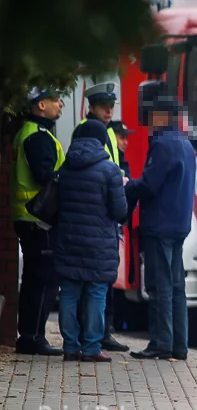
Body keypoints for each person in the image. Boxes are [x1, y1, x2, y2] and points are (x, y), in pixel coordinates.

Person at [126, 100, 196, 360]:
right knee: (177, 286)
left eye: (151, 117)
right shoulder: (185, 144)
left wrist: (128, 185)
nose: (147, 123)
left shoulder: (162, 144)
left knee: (159, 286)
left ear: (161, 117)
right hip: (179, 224)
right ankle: (179, 345)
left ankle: (161, 343)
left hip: (159, 224)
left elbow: (149, 185)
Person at [55, 120, 129, 362]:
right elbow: (120, 211)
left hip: (68, 240)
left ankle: (69, 346)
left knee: (68, 293)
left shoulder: (65, 169)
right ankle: (91, 348)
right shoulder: (109, 170)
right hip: (99, 244)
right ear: (102, 141)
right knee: (96, 294)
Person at [73, 83, 129, 352]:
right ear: (91, 107)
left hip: (105, 212)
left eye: (112, 105)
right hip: (96, 214)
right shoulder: (86, 131)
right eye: (104, 106)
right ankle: (94, 333)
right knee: (94, 279)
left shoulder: (107, 131)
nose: (109, 110)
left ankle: (103, 331)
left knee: (106, 277)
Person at [10, 86, 65, 355]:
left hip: (29, 216)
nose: (61, 105)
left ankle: (30, 336)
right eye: (55, 100)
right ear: (41, 105)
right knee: (44, 279)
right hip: (38, 217)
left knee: (34, 278)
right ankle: (33, 338)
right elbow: (46, 175)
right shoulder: (38, 136)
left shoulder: (31, 133)